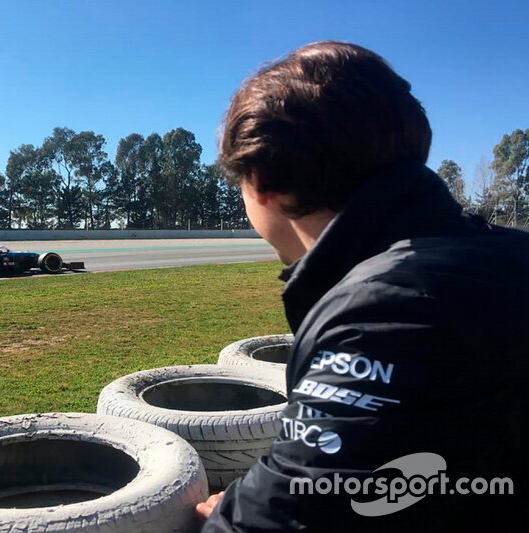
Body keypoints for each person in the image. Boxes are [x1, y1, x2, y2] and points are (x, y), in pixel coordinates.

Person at [197, 41, 526, 531]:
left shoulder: (390, 308)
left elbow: (288, 516)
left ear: (261, 179)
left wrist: (227, 512)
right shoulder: (507, 253)